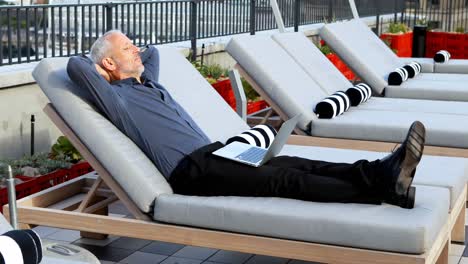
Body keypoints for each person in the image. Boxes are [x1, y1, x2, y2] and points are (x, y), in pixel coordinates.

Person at [67, 30, 425, 209]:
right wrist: (104, 63)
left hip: (216, 152)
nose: (136, 49)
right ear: (109, 65)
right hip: (191, 170)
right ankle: (382, 189)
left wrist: (127, 56)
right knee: (282, 179)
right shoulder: (115, 97)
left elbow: (154, 52)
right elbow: (76, 66)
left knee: (294, 160)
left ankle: (380, 172)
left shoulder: (149, 83)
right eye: (126, 48)